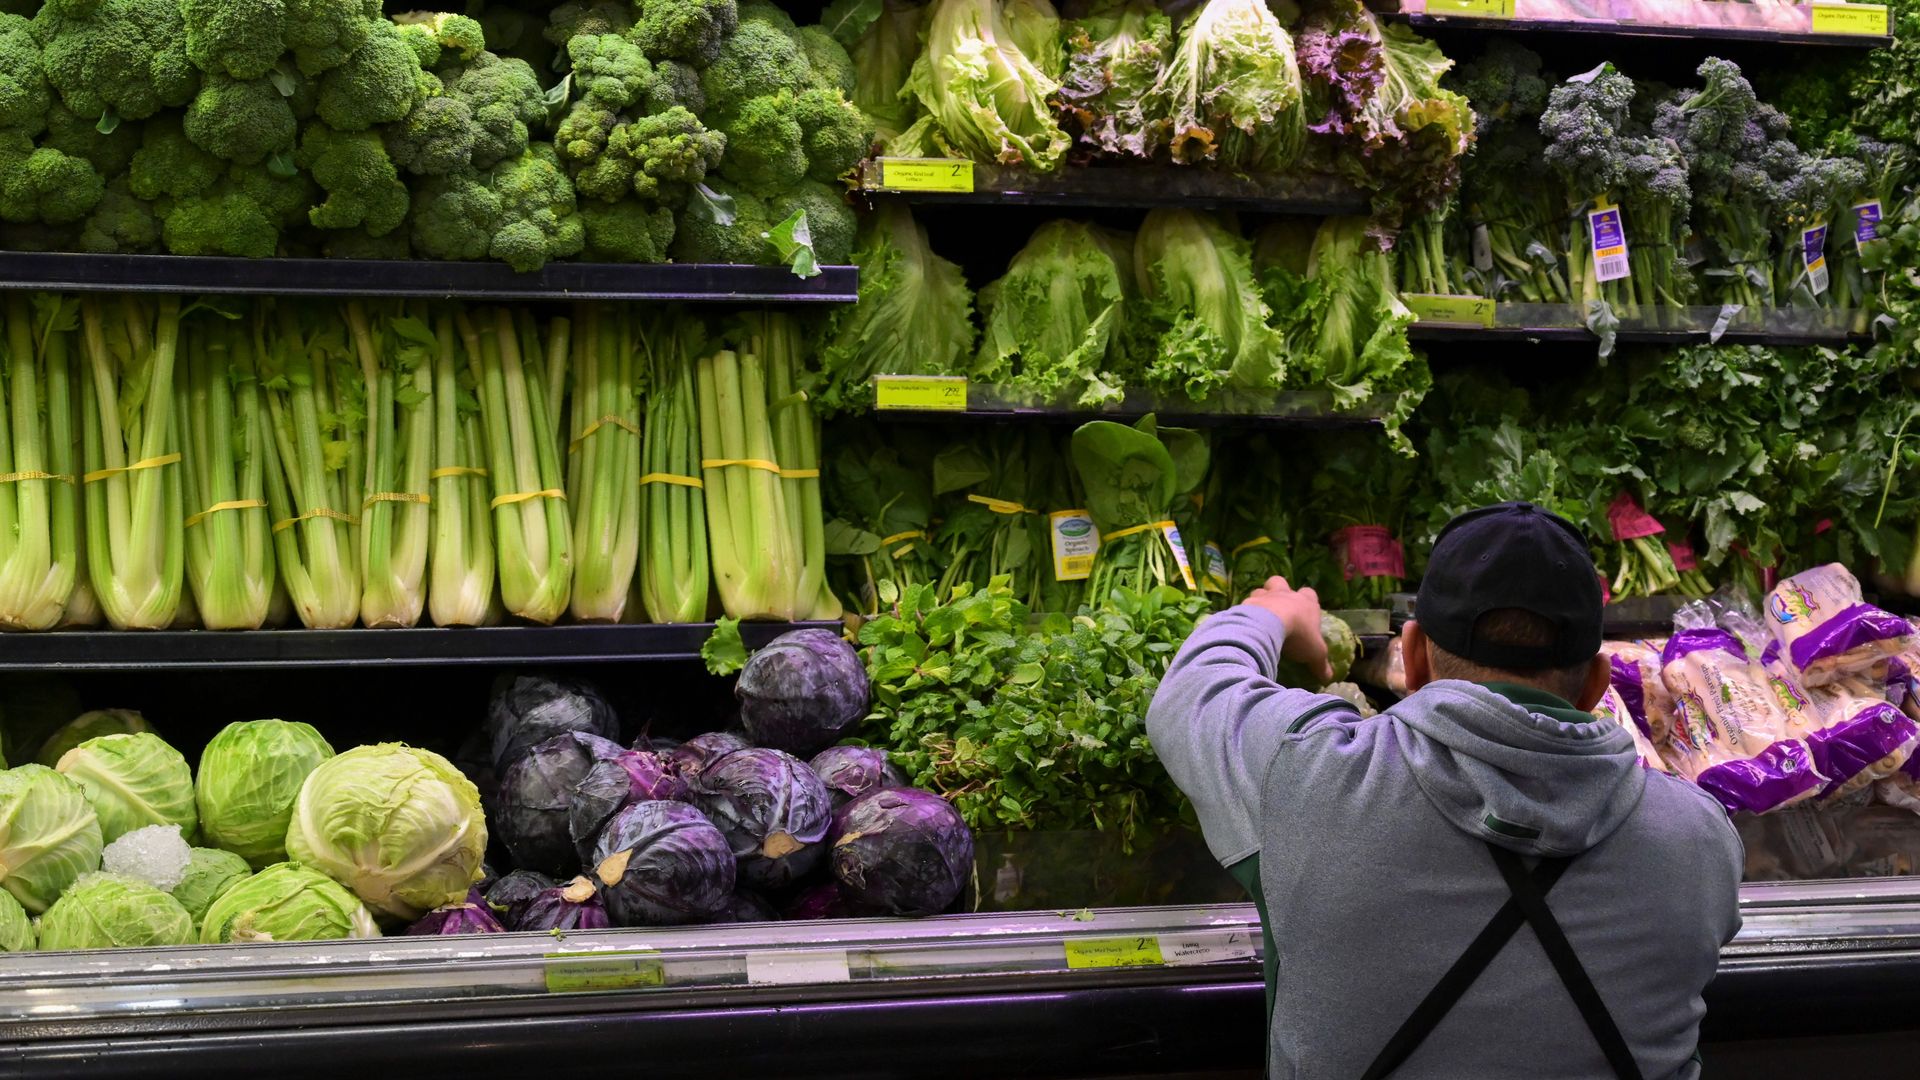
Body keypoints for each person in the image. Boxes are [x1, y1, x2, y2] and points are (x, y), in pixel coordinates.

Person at [1146, 502, 1743, 1079]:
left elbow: (1194, 690)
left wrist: (1273, 612)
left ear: (1413, 657)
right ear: (1595, 683)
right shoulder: (1702, 840)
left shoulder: (1307, 774)